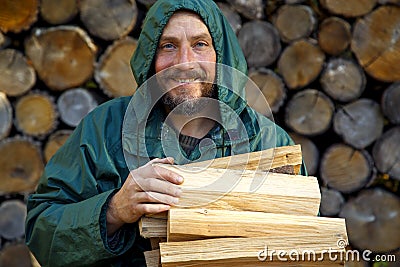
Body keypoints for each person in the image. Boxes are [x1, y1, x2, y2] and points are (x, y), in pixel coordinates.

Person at [26, 0, 305, 266]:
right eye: (168, 46)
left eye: (200, 44)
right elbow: (42, 230)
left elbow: (306, 242)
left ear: (221, 54)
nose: (184, 61)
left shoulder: (267, 142)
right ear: (150, 56)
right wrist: (115, 209)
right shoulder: (106, 128)